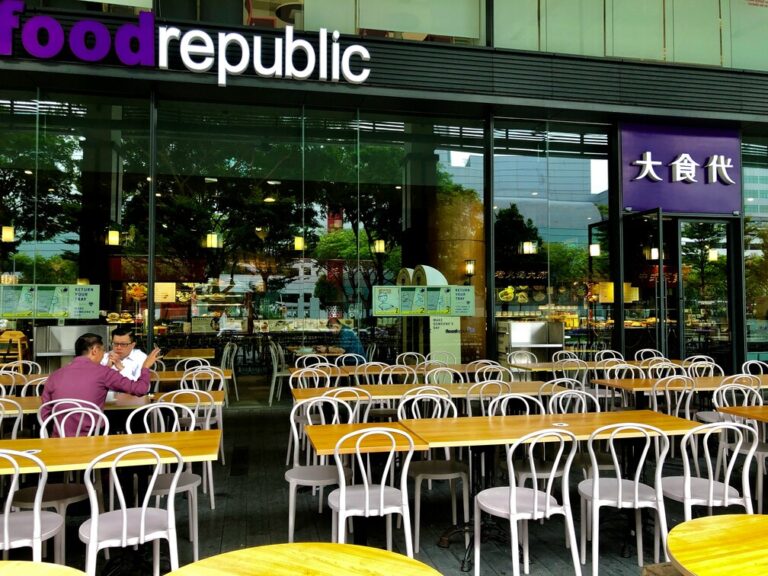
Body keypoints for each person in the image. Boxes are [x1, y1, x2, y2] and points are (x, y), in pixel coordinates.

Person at [41, 333, 161, 436]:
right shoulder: (103, 372)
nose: (104, 355)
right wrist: (145, 367)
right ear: (94, 350)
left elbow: (45, 413)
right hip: (93, 438)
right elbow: (140, 389)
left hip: (59, 439)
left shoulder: (55, 375)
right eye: (103, 351)